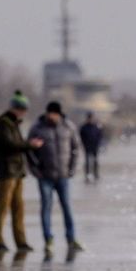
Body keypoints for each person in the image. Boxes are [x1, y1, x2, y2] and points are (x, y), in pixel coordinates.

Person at [0, 90, 43, 252]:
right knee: (3, 207)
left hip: (17, 172)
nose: (23, 113)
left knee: (19, 208)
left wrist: (27, 144)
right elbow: (10, 144)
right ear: (14, 108)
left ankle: (21, 242)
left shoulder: (14, 124)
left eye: (24, 110)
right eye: (21, 109)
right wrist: (30, 145)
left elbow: (16, 143)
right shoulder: (3, 123)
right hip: (6, 173)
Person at [28, 101, 82, 253]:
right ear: (46, 113)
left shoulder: (68, 127)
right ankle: (48, 239)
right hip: (45, 176)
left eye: (55, 114)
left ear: (59, 114)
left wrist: (72, 169)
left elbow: (76, 148)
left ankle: (71, 238)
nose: (52, 117)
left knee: (67, 207)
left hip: (63, 176)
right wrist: (35, 171)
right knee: (46, 207)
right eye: (50, 113)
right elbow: (29, 150)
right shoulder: (37, 128)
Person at [79, 112, 104, 182]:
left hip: (95, 146)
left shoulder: (97, 126)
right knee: (87, 162)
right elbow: (81, 136)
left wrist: (98, 143)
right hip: (87, 146)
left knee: (95, 161)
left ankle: (96, 174)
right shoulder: (84, 127)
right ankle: (87, 175)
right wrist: (84, 144)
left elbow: (100, 135)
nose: (90, 119)